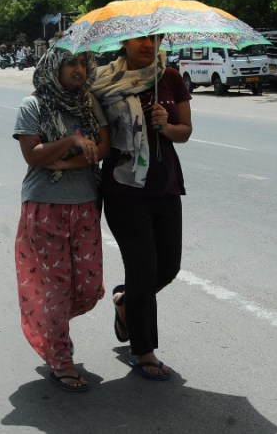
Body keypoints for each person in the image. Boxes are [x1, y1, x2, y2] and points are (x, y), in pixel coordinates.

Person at [91, 34, 192, 382]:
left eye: (154, 38)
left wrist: (165, 124)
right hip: (123, 188)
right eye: (139, 39)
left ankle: (125, 303)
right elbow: (94, 133)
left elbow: (185, 132)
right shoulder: (105, 82)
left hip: (164, 185)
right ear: (124, 42)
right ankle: (143, 349)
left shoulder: (171, 77)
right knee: (143, 267)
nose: (147, 45)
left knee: (169, 266)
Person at [12, 47, 110, 392]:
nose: (79, 69)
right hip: (45, 205)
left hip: (84, 204)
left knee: (87, 286)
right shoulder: (33, 105)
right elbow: (32, 155)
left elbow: (103, 149)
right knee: (55, 288)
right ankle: (61, 358)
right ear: (53, 67)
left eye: (83, 62)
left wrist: (69, 161)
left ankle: (48, 322)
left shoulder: (88, 104)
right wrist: (71, 140)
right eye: (71, 63)